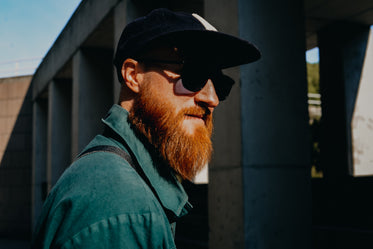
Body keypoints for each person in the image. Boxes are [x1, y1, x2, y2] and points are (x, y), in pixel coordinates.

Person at [31, 8, 260, 249]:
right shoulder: (119, 206)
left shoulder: (126, 181)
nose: (211, 98)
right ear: (133, 75)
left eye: (220, 83)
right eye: (194, 73)